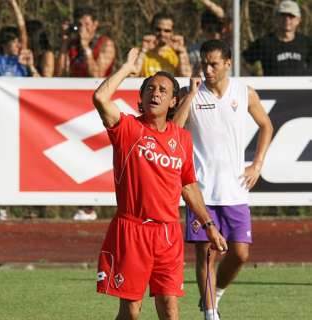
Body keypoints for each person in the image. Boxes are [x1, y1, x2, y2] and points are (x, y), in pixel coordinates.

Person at [94, 48, 227, 320]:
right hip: (132, 230)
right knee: (131, 312)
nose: (155, 93)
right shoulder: (129, 130)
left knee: (170, 309)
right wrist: (126, 68)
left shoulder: (182, 139)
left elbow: (188, 186)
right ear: (141, 97)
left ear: (173, 101)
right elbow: (100, 97)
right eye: (150, 88)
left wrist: (209, 226)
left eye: (163, 90)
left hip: (168, 235)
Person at [174, 39, 273, 320]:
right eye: (204, 63)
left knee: (240, 254)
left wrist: (257, 163)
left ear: (228, 63)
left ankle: (214, 295)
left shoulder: (245, 93)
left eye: (214, 64)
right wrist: (190, 96)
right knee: (207, 255)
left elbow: (266, 125)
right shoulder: (190, 93)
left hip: (235, 190)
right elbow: (174, 130)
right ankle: (210, 314)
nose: (207, 69)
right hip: (201, 191)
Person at [243, 0, 312, 76]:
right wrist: (252, 79)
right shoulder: (264, 43)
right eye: (283, 15)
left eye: (291, 16)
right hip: (272, 87)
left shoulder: (306, 43)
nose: (287, 19)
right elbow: (242, 62)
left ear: (298, 20)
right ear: (276, 17)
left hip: (301, 87)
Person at [56, 5, 115, 77]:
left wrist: (86, 47)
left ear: (95, 25)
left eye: (87, 24)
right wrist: (64, 41)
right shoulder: (73, 45)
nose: (82, 28)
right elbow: (60, 74)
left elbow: (97, 75)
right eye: (80, 24)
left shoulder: (106, 44)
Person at [0, 0, 37, 77]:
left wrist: (13, 3)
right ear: (4, 44)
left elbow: (22, 29)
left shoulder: (21, 59)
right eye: (14, 42)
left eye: (19, 42)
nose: (19, 45)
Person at [138, 12, 192, 77]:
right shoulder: (140, 51)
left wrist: (182, 52)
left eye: (167, 31)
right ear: (152, 29)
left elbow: (186, 76)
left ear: (172, 32)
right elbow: (132, 76)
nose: (162, 34)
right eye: (158, 30)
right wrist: (143, 51)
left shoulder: (178, 53)